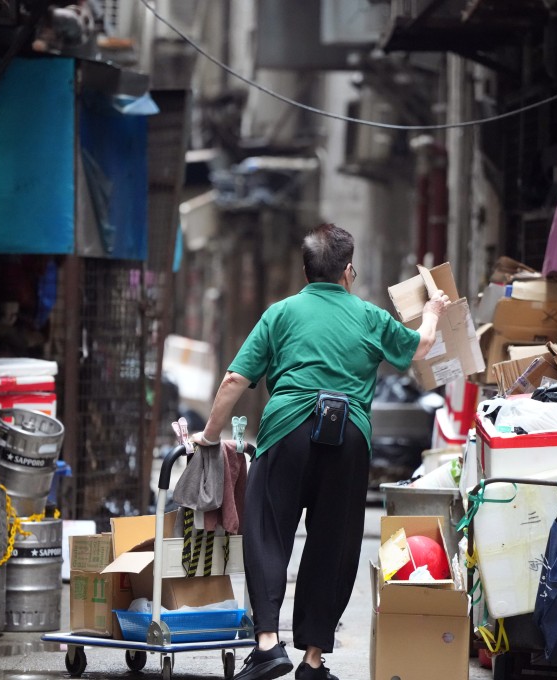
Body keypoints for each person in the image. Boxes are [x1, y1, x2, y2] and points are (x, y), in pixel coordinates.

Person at [190, 222, 453, 680]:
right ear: (348, 271)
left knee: (268, 531)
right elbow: (422, 347)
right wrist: (431, 310)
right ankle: (312, 659)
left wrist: (209, 437)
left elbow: (235, 380)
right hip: (348, 434)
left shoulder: (281, 313)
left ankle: (268, 643)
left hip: (288, 429)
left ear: (306, 270)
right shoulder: (369, 317)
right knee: (334, 541)